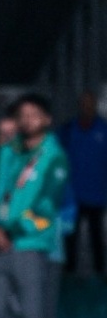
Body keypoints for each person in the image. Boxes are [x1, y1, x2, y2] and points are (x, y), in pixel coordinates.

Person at [0, 93, 69, 318]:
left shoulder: (54, 157)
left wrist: (10, 232)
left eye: (34, 115)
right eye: (23, 116)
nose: (27, 121)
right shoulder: (7, 152)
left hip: (29, 244)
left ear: (47, 119)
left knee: (33, 311)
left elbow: (46, 209)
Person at [58, 90, 107, 277]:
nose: (87, 107)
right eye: (84, 103)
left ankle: (100, 272)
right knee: (70, 238)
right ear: (80, 105)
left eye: (91, 103)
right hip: (73, 195)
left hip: (97, 195)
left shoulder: (104, 129)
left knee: (96, 238)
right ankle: (68, 273)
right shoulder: (68, 130)